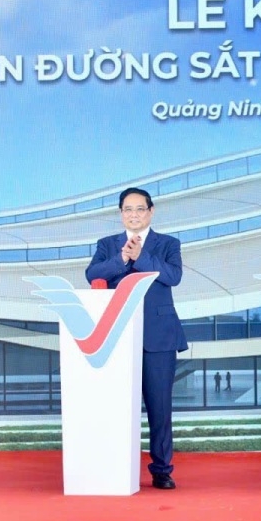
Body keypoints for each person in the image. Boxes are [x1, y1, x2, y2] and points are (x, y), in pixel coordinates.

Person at [86, 187, 187, 490]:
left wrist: (141, 257)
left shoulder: (168, 243)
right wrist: (121, 259)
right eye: (128, 209)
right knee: (117, 407)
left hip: (159, 337)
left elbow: (173, 276)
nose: (134, 214)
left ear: (151, 211)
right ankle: (117, 463)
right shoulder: (107, 245)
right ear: (121, 214)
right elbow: (92, 275)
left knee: (160, 408)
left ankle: (161, 470)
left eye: (140, 209)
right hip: (117, 335)